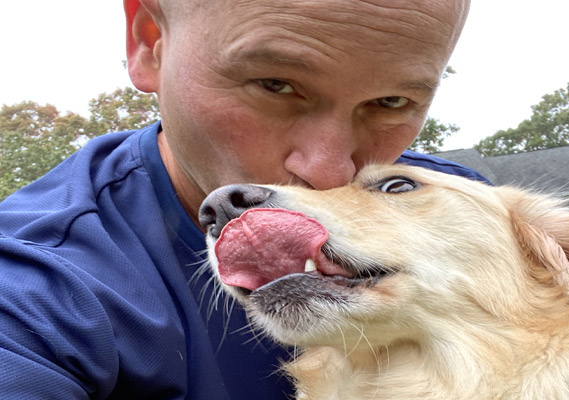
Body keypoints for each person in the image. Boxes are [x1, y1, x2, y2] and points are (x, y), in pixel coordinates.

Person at [0, 0, 486, 398]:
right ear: (150, 43)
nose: (328, 170)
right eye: (275, 85)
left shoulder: (452, 206)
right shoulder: (34, 289)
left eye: (391, 103)